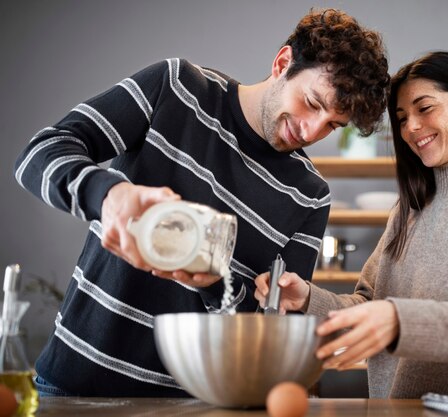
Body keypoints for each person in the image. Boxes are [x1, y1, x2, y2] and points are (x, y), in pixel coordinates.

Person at [13, 8, 389, 397]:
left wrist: (216, 283)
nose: (312, 130)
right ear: (282, 64)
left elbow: (271, 328)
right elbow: (40, 152)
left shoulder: (310, 194)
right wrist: (108, 195)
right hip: (73, 386)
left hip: (190, 405)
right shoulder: (175, 87)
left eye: (332, 125)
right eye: (311, 102)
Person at [255, 51, 448, 401]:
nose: (411, 127)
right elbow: (370, 305)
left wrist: (399, 320)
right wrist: (308, 299)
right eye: (401, 118)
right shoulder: (408, 210)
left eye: (424, 108)